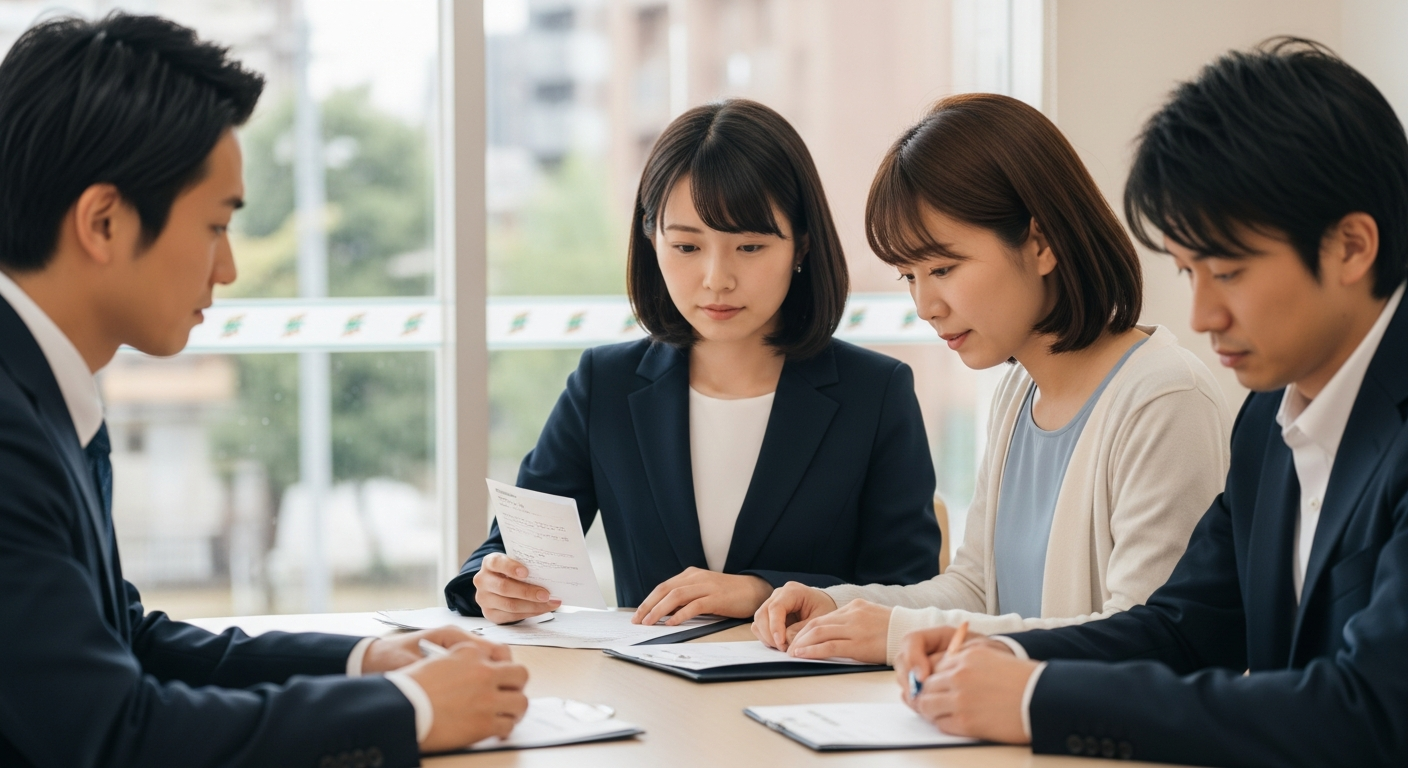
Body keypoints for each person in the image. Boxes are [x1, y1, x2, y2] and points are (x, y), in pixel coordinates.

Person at [0, 14, 528, 767]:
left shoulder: (42, 394)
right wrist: (409, 710)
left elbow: (129, 642)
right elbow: (117, 735)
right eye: (216, 226)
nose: (228, 269)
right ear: (104, 220)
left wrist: (367, 663)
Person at [893, 39, 1408, 767]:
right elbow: (1181, 628)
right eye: (1188, 271)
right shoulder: (1270, 420)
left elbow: (1372, 712)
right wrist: (1000, 653)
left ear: (1352, 247)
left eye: (1227, 271)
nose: (1201, 315)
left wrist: (1036, 699)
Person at [753, 93, 1232, 666]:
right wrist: (837, 605)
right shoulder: (1020, 391)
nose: (925, 304)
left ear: (1041, 242)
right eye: (909, 275)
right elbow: (975, 589)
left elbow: (1143, 641)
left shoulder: (1163, 399)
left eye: (943, 268)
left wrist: (900, 633)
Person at [446, 99, 941, 626]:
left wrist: (759, 592)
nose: (716, 279)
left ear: (801, 246)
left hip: (808, 690)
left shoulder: (874, 393)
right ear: (651, 239)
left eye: (749, 247)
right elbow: (506, 551)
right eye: (685, 246)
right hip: (646, 693)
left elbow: (908, 589)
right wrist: (495, 585)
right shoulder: (604, 386)